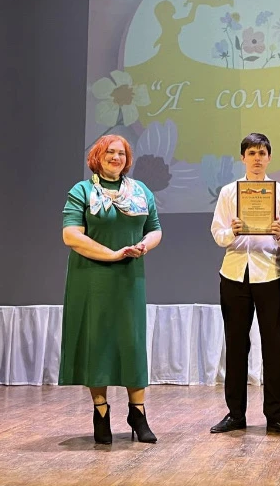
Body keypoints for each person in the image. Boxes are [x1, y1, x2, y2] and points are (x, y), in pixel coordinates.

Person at [59, 134, 162, 445]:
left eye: (122, 153)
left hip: (130, 277)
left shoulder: (140, 191)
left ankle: (138, 413)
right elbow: (71, 235)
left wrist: (144, 245)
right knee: (97, 342)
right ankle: (100, 411)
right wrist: (112, 255)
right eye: (110, 152)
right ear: (98, 156)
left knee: (132, 341)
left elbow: (155, 229)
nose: (116, 158)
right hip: (92, 279)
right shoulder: (82, 191)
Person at [210, 133, 280, 436]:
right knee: (236, 346)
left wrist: (279, 234)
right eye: (251, 153)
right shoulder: (229, 192)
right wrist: (232, 232)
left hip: (270, 275)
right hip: (234, 274)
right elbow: (217, 233)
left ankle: (276, 415)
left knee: (274, 347)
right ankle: (235, 414)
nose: (257, 158)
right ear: (243, 158)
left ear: (269, 157)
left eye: (262, 153)